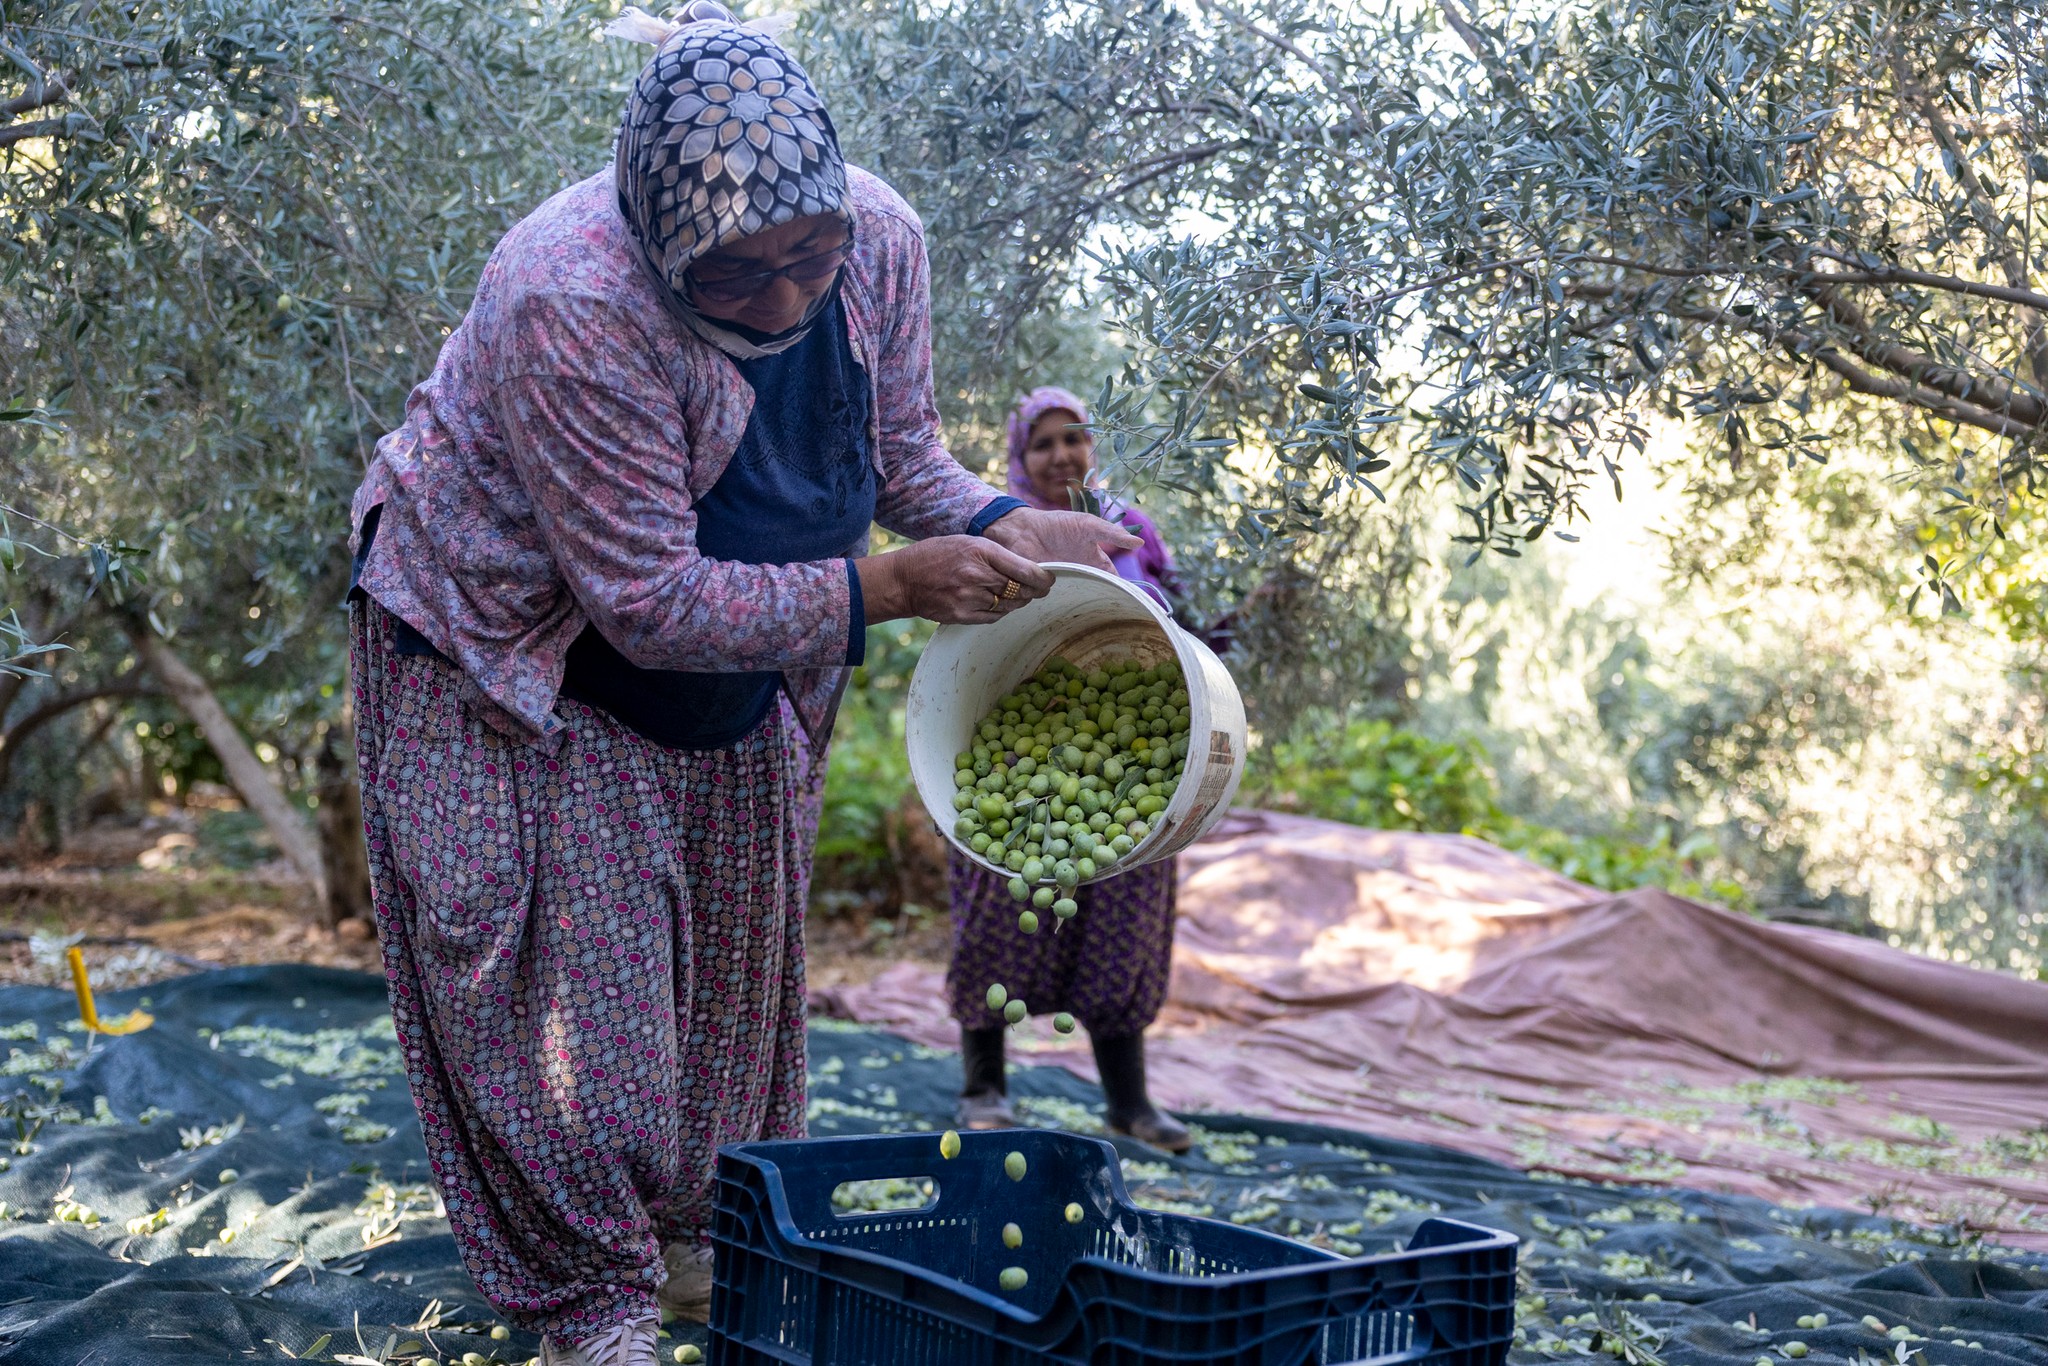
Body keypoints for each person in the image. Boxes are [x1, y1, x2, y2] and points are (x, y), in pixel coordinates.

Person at [344, 10, 1137, 1364]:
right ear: (662, 249)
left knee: (728, 980)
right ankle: (591, 1303)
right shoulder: (571, 297)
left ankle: (701, 1244)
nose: (783, 298)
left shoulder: (879, 238)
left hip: (747, 648)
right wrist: (883, 589)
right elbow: (644, 601)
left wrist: (1002, 517)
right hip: (522, 652)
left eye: (806, 256)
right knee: (583, 1024)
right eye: (737, 276)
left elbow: (899, 457)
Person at [944, 386, 1196, 1155]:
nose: (1062, 456)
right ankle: (984, 1086)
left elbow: (1186, 616)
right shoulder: (997, 529)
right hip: (1017, 748)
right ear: (1022, 456)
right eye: (1044, 443)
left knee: (1125, 923)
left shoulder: (1132, 529)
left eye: (1074, 439)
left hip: (1133, 758)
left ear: (1094, 447)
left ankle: (1129, 1104)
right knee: (998, 914)